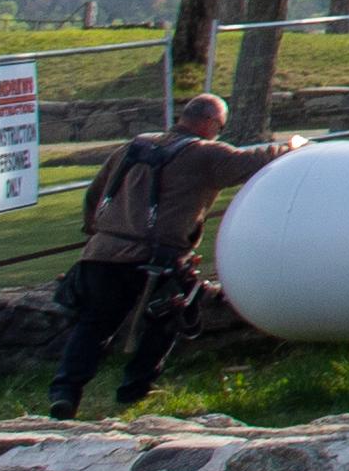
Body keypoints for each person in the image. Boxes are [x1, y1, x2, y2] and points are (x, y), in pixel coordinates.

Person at [47, 93, 286, 420]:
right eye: (220, 125)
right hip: (158, 259)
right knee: (166, 320)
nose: (219, 132)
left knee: (92, 326)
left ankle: (64, 393)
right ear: (209, 123)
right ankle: (135, 388)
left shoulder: (134, 146)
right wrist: (295, 147)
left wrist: (95, 233)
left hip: (103, 253)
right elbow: (257, 160)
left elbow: (95, 193)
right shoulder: (205, 155)